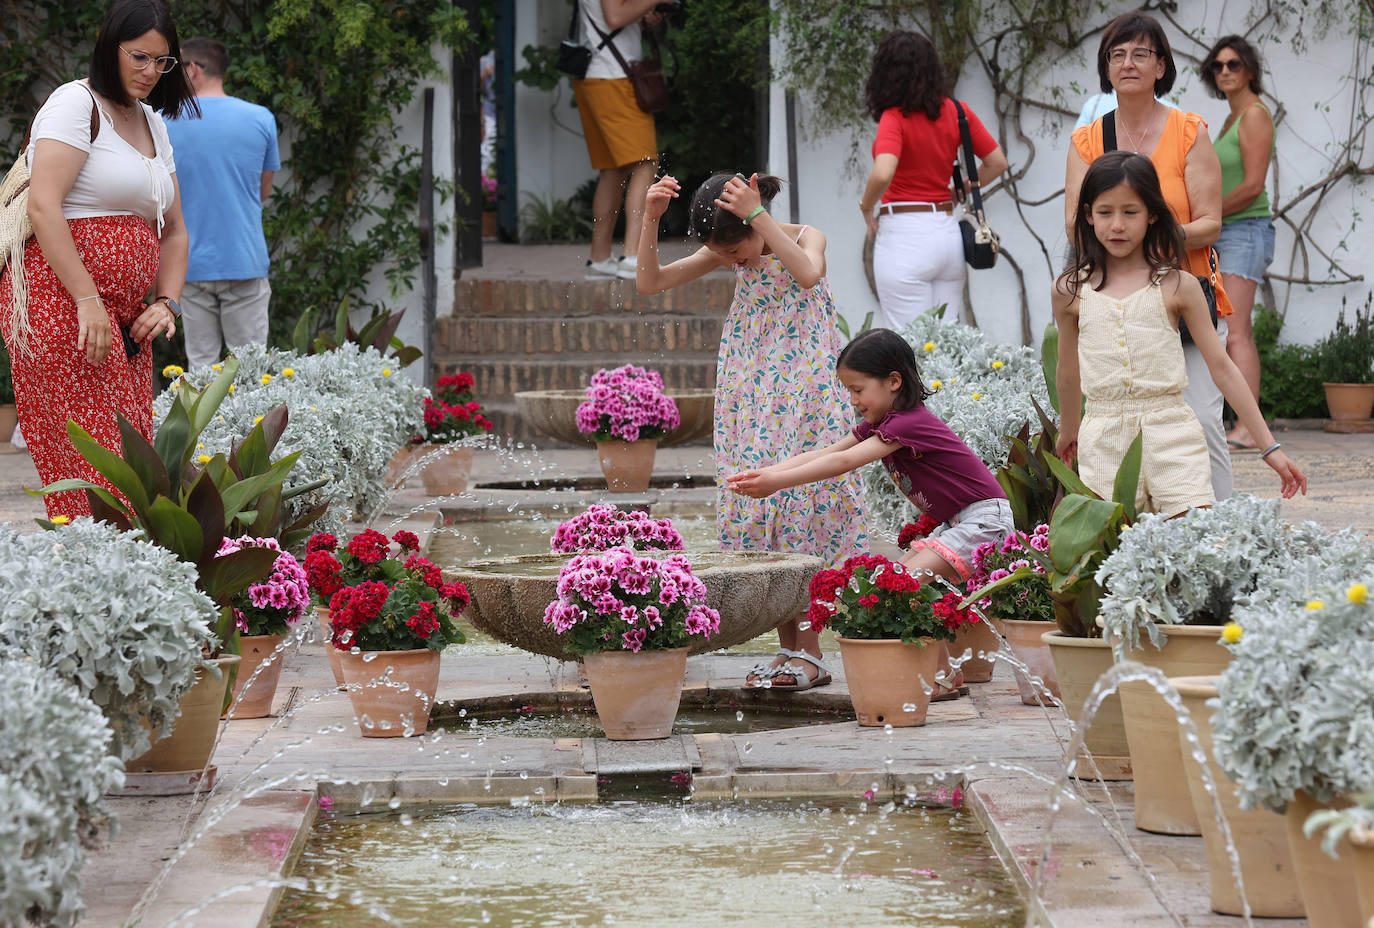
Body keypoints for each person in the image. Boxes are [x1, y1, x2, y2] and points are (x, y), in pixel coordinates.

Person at [637, 171, 868, 691]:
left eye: (736, 250)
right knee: (763, 510)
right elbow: (650, 283)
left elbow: (807, 273)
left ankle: (811, 651)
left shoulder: (806, 237)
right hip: (751, 395)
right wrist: (650, 221)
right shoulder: (728, 251)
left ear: (754, 219)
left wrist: (757, 214)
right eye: (725, 255)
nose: (734, 262)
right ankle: (790, 650)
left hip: (804, 395)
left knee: (801, 507)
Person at [726, 327, 1014, 697]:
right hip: (960, 522)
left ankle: (941, 674)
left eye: (858, 389)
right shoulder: (883, 424)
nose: (852, 399)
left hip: (984, 520)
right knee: (898, 584)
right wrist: (767, 474)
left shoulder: (909, 422)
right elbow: (828, 452)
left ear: (893, 381)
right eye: (848, 390)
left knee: (902, 583)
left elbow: (843, 462)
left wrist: (777, 483)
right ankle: (945, 674)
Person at [0, 0, 193, 519]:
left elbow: (175, 230)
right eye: (139, 57)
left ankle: (112, 564)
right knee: (95, 465)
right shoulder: (74, 103)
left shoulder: (152, 122)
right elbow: (44, 206)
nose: (151, 71)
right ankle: (91, 562)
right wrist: (87, 299)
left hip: (125, 320)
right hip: (62, 303)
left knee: (130, 461)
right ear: (110, 48)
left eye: (162, 61)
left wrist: (167, 302)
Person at [1053, 151, 1305, 513]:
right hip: (1104, 442)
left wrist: (1269, 446)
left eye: (1130, 212)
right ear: (1088, 215)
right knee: (1113, 541)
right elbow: (1067, 369)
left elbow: (1222, 368)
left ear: (1152, 214)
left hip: (1173, 436)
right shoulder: (1070, 291)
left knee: (1191, 534)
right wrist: (1069, 430)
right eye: (1105, 212)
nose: (1117, 225)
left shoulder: (1178, 285)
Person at [1064, 11, 1236, 501]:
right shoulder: (1087, 141)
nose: (1128, 63)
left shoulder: (1189, 131)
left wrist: (1152, 237)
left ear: (1161, 66)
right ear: (1106, 68)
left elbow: (1210, 222)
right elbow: (1076, 222)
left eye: (1141, 53)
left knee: (1202, 422)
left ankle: (1223, 527)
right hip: (1118, 303)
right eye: (1117, 55)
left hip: (1185, 298)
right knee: (1118, 432)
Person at [858, 30, 1008, 330]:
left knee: (907, 342)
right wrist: (956, 192)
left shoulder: (894, 117)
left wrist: (866, 206)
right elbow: (997, 163)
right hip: (947, 236)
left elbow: (884, 171)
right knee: (946, 343)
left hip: (904, 237)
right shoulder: (958, 112)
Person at [165, 37, 279, 370]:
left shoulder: (162, 120)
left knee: (201, 371)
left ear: (193, 70)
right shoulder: (260, 118)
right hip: (243, 259)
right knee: (250, 371)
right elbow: (262, 191)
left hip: (187, 263)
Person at [1200, 35, 1275, 451]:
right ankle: (1238, 423)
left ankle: (1248, 428)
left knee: (1237, 333)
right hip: (1228, 230)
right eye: (1218, 65)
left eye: (1234, 64)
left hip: (1246, 229)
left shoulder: (1254, 115)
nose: (1225, 71)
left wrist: (1208, 216)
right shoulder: (1232, 117)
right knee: (1227, 330)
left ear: (1249, 68)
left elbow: (1252, 187)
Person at [573, 0, 663, 280]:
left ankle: (600, 258)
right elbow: (614, 16)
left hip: (596, 76)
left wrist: (644, 17)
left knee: (612, 169)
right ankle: (633, 256)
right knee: (645, 163)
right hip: (613, 77)